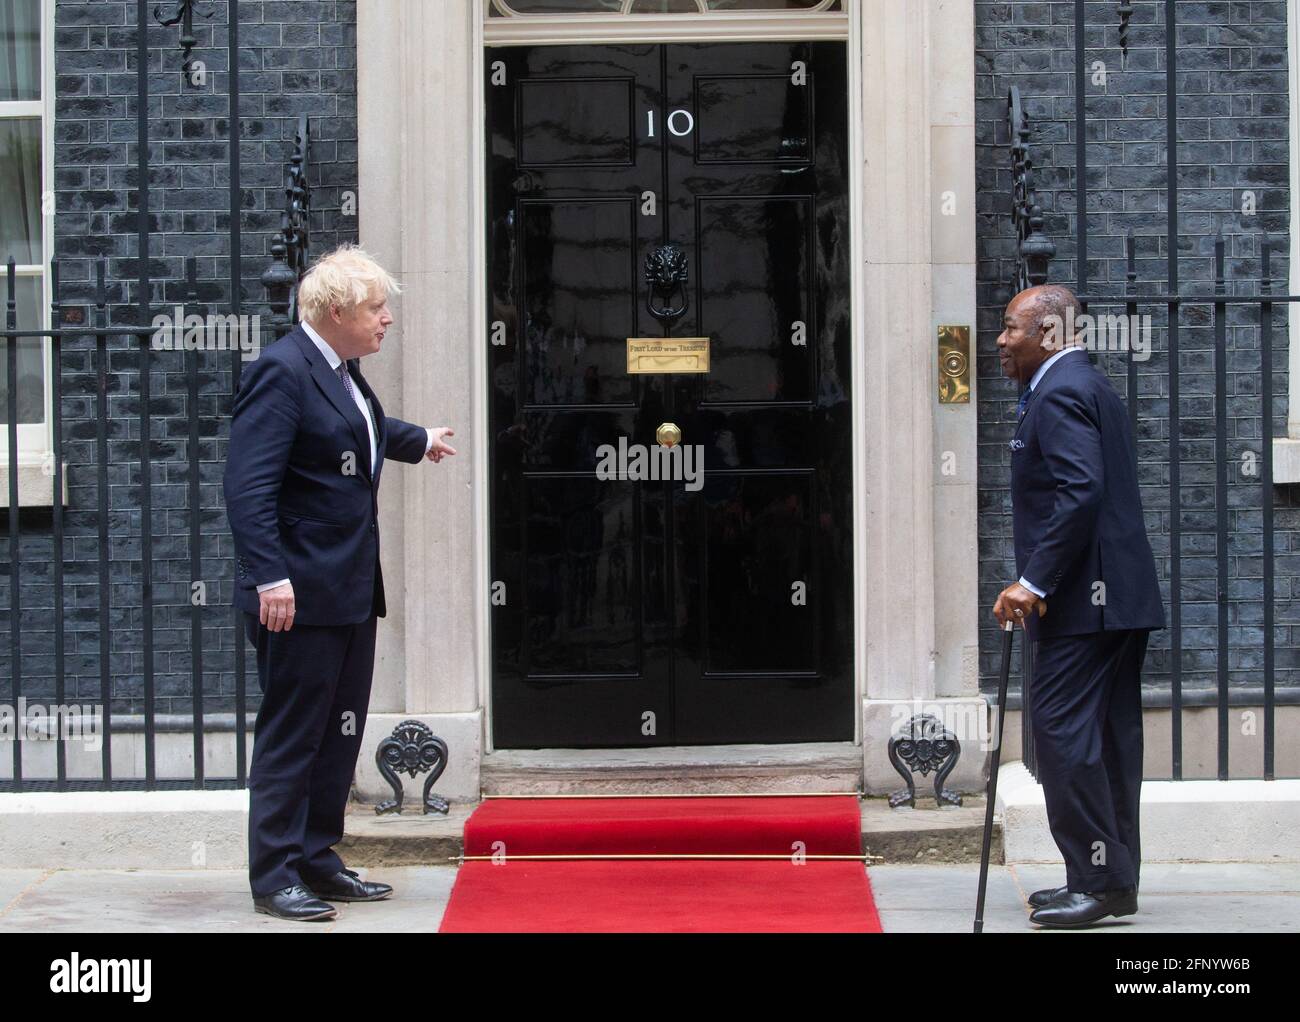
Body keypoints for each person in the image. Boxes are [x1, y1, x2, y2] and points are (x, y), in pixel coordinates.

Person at [223, 244, 456, 921]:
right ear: (334, 312)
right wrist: (270, 577)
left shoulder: (339, 370)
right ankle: (274, 877)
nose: (386, 319)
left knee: (338, 734)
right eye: (376, 308)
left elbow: (359, 430)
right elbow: (247, 487)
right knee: (293, 735)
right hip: (295, 597)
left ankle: (317, 859)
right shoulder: (280, 371)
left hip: (348, 588)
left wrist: (419, 439)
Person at [992, 284, 1165, 929]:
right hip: (1116, 598)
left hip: (1082, 604)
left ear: (1050, 333)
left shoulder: (1061, 391)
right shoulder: (1087, 384)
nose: (1001, 340)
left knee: (1063, 738)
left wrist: (1033, 583)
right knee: (1110, 742)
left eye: (1011, 328)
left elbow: (1080, 492)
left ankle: (1095, 882)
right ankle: (1111, 883)